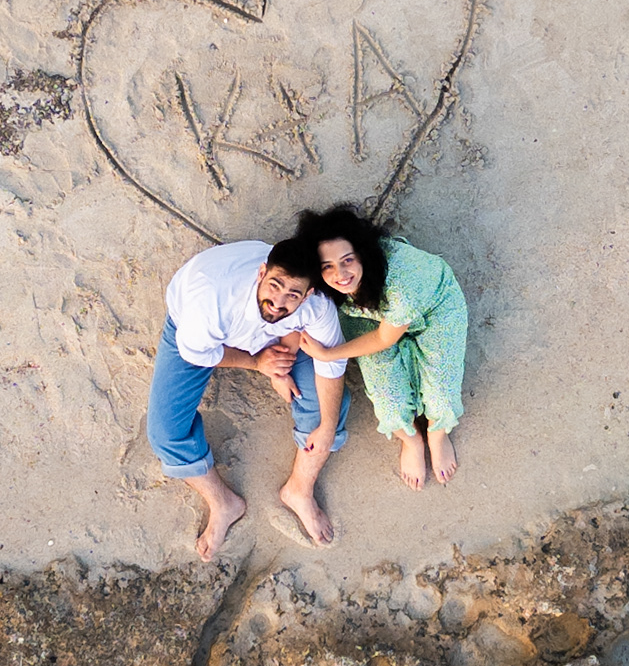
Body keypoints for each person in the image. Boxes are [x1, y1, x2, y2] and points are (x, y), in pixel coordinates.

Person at [146, 236, 350, 559]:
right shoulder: (210, 302)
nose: (278, 302)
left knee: (330, 409)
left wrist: (286, 369)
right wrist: (258, 363)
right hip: (207, 336)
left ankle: (299, 489)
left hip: (277, 336)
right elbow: (198, 352)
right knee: (164, 433)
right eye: (274, 286)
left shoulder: (317, 305)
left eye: (293, 295)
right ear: (261, 272)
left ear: (308, 294)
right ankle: (222, 503)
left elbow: (332, 364)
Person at [300, 203, 468, 490]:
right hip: (367, 315)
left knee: (441, 397)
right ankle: (411, 440)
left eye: (347, 260)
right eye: (328, 266)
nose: (340, 274)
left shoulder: (400, 284)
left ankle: (437, 434)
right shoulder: (330, 286)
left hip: (434, 309)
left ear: (362, 253)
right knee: (388, 400)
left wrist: (328, 354)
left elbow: (383, 339)